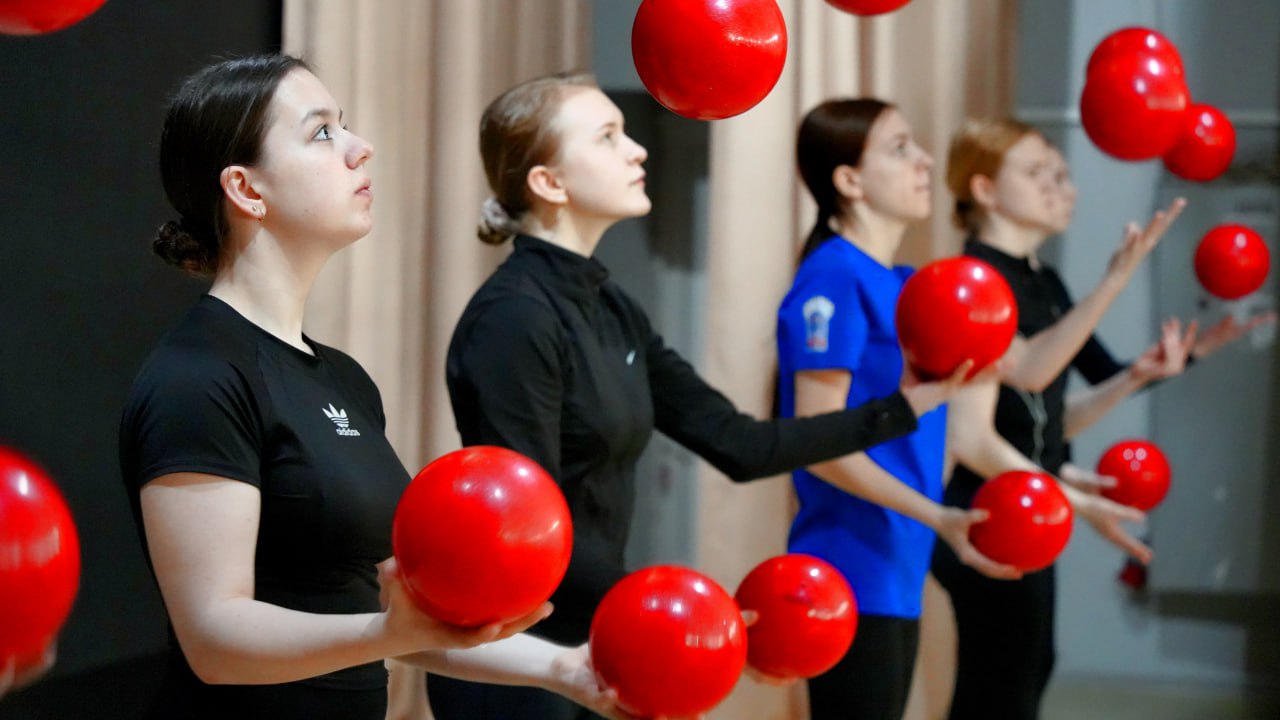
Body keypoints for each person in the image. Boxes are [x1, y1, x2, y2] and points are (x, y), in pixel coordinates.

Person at [429, 73, 970, 720]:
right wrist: (696, 625)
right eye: (608, 138)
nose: (638, 151)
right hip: (518, 657)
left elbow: (741, 443)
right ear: (550, 184)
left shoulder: (612, 307)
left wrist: (901, 408)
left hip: (591, 639)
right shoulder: (513, 320)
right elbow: (526, 536)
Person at [118, 55, 633, 720]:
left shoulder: (343, 379)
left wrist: (565, 667)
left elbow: (388, 616)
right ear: (247, 190)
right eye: (323, 133)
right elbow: (214, 640)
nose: (362, 149)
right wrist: (390, 634)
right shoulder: (197, 377)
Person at [930, 118, 1271, 720]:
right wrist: (1116, 277)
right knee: (999, 684)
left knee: (1029, 669)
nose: (1063, 188)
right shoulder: (973, 284)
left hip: (1031, 507)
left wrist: (1164, 365)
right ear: (983, 190)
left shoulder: (1043, 280)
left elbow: (1056, 416)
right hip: (983, 512)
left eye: (1062, 175)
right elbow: (973, 435)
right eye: (1039, 174)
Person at [774, 98, 1027, 720]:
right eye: (900, 148)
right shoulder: (833, 278)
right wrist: (938, 515)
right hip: (848, 570)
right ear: (848, 181)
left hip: (897, 563)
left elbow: (1023, 372)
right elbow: (819, 440)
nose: (925, 162)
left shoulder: (910, 285)